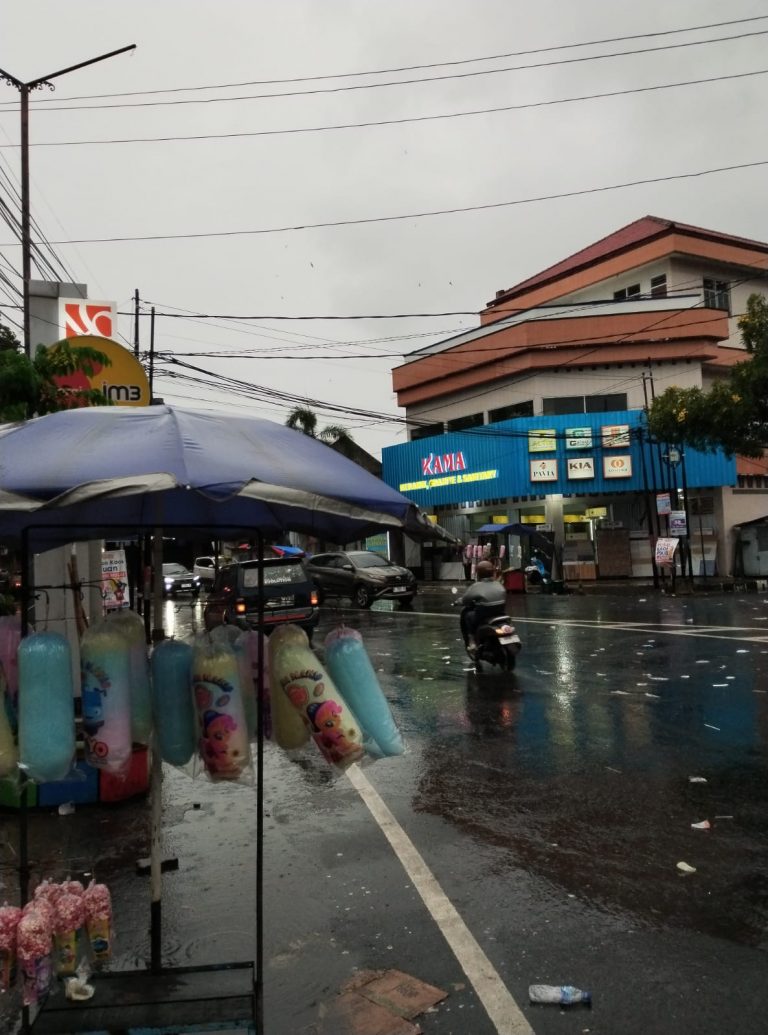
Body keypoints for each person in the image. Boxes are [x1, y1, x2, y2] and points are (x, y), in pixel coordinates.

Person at [459, 560, 507, 650]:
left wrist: (460, 601)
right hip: (500, 614)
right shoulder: (499, 584)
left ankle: (472, 640)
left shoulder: (476, 586)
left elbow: (465, 600)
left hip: (483, 616)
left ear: (478, 574)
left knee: (468, 615)